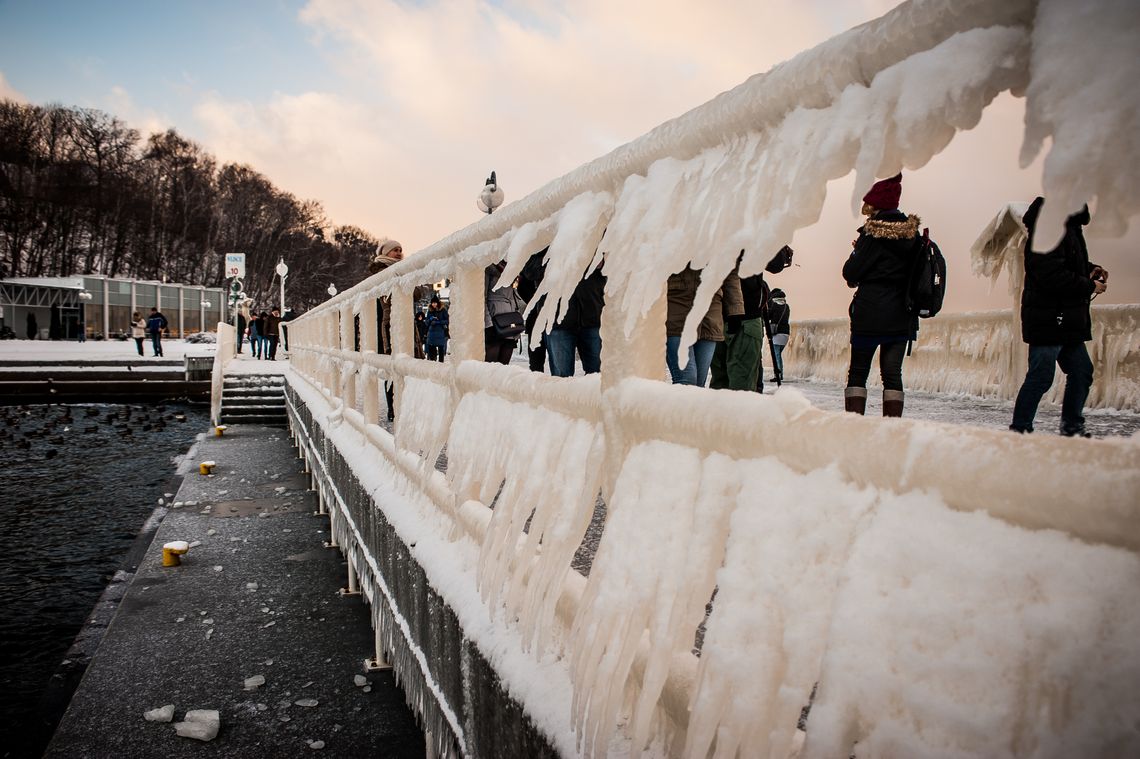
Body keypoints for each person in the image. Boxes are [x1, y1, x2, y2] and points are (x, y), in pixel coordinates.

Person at [1009, 197, 1106, 437]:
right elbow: (1049, 274)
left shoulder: (1069, 226)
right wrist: (1089, 286)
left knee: (1082, 372)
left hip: (1066, 320)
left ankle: (1071, 427)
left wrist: (1088, 269)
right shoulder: (1048, 227)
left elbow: (1064, 262)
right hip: (1048, 318)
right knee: (1041, 377)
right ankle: (1019, 430)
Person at [842, 173, 927, 417]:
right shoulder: (913, 236)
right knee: (892, 374)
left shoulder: (872, 234)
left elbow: (851, 273)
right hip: (902, 312)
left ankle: (853, 425)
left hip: (870, 312)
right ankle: (892, 429)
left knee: (858, 371)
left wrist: (858, 252)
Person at [666, 265, 744, 386]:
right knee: (687, 379)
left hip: (709, 311)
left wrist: (735, 309)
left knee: (698, 384)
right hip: (676, 304)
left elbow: (730, 267)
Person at [546, 262, 605, 377]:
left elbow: (618, 263)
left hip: (593, 315)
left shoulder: (594, 243)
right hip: (558, 321)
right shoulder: (544, 244)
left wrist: (603, 261)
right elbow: (530, 271)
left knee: (598, 376)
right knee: (561, 378)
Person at [484, 260, 527, 365]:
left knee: (504, 366)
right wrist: (488, 325)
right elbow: (482, 298)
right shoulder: (488, 269)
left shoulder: (512, 269)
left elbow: (514, 297)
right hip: (494, 323)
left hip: (509, 324)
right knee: (490, 367)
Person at [518, 250, 549, 372]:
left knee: (537, 360)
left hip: (537, 314)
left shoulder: (529, 259)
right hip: (537, 315)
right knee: (538, 360)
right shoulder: (531, 261)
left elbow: (522, 288)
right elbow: (522, 287)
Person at [766, 288, 791, 384]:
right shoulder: (786, 306)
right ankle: (780, 374)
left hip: (777, 333)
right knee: (778, 355)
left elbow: (768, 316)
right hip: (786, 333)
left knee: (776, 355)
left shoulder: (774, 305)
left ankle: (778, 375)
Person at [424, 296, 449, 362]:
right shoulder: (430, 310)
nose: (434, 304)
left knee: (441, 350)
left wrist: (438, 322)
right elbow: (426, 322)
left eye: (435, 303)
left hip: (440, 333)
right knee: (432, 351)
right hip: (432, 334)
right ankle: (433, 364)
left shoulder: (443, 310)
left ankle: (441, 365)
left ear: (438, 303)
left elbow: (447, 320)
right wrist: (430, 319)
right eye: (433, 303)